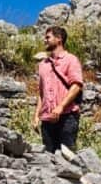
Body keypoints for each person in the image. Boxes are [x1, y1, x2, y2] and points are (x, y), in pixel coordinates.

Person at [33, 25, 84, 154]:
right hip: (47, 119)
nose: (44, 40)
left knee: (67, 158)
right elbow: (41, 92)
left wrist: (61, 107)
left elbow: (77, 85)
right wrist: (36, 116)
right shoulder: (43, 65)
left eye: (48, 37)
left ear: (59, 39)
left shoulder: (71, 60)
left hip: (67, 116)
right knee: (49, 158)